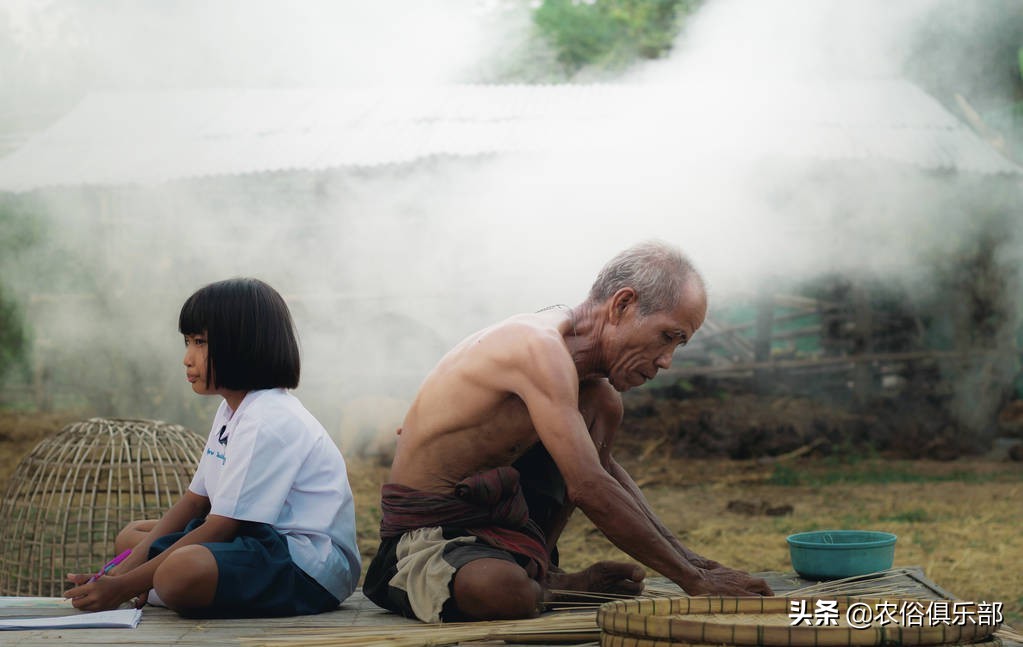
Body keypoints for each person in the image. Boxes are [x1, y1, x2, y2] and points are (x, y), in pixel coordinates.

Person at [364, 241, 773, 623]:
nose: (666, 361)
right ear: (623, 304)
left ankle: (544, 571)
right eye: (668, 336)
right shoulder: (535, 347)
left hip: (501, 534)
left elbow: (605, 473)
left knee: (602, 405)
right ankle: (547, 588)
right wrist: (695, 582)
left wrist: (700, 564)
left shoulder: (593, 393)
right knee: (501, 590)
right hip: (423, 541)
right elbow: (589, 486)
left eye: (679, 346)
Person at [65, 278, 361, 617]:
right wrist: (116, 574)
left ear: (242, 345)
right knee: (133, 536)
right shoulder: (232, 409)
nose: (187, 359)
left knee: (179, 571)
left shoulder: (268, 417)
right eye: (187, 342)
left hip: (305, 565)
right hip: (255, 540)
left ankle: (158, 588)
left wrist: (123, 587)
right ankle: (156, 585)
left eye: (200, 342)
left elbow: (221, 526)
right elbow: (195, 501)